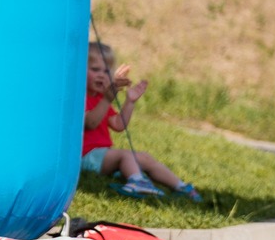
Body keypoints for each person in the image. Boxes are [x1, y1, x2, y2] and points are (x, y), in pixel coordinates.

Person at [82, 42, 199, 199]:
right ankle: (137, 182)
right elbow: (91, 123)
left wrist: (130, 102)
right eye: (95, 69)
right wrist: (107, 99)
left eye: (106, 71)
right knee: (126, 155)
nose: (101, 75)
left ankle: (181, 186)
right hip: (85, 156)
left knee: (144, 157)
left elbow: (118, 124)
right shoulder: (80, 97)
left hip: (103, 155)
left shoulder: (99, 98)